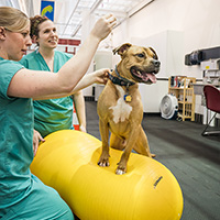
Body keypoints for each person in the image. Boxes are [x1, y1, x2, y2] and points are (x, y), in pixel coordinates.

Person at [0, 6, 116, 220]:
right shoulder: (7, 69)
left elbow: (49, 92)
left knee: (55, 195)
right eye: (24, 34)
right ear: (2, 33)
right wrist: (94, 36)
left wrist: (26, 129)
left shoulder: (9, 70)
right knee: (63, 214)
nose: (27, 42)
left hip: (24, 163)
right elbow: (62, 84)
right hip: (9, 180)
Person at [20, 15, 102, 152]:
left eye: (54, 30)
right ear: (35, 39)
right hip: (39, 133)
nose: (53, 34)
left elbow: (77, 94)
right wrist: (30, 129)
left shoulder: (69, 60)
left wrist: (82, 125)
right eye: (46, 32)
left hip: (66, 128)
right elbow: (21, 101)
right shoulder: (26, 63)